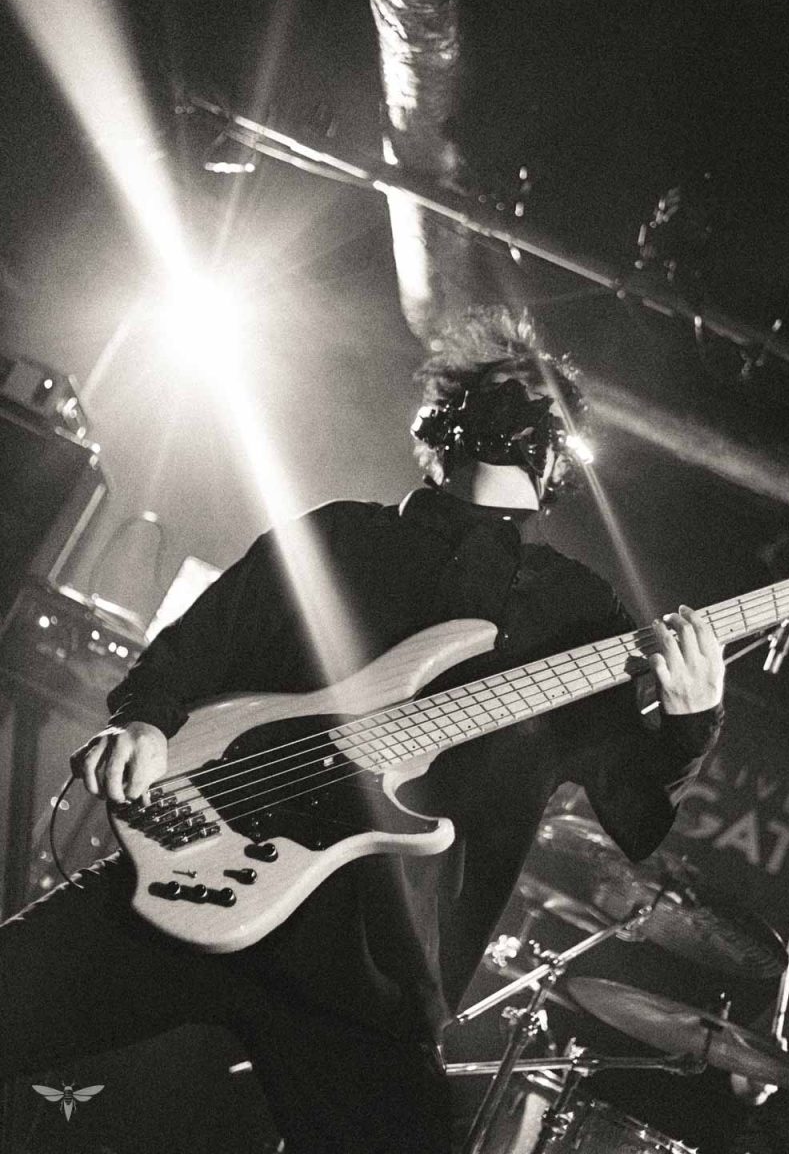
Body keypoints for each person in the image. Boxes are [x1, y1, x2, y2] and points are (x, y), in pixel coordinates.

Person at [0, 312, 725, 1153]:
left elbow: (633, 806)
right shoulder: (339, 534)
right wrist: (143, 724)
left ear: (562, 457)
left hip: (370, 973)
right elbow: (192, 653)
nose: (520, 408)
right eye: (499, 388)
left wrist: (690, 722)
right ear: (444, 419)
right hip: (190, 875)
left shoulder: (578, 615)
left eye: (539, 400)